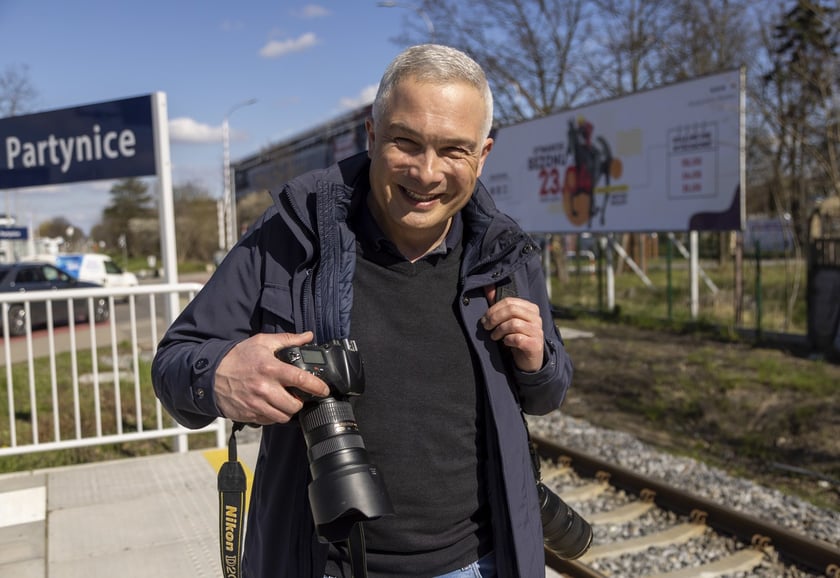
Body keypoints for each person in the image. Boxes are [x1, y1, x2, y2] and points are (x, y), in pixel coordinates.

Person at [152, 44, 574, 578]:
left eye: (453, 150)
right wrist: (218, 377)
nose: (427, 172)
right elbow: (174, 361)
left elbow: (548, 393)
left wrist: (539, 361)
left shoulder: (504, 252)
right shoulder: (294, 234)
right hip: (326, 565)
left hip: (479, 564)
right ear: (372, 136)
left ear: (483, 154)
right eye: (406, 142)